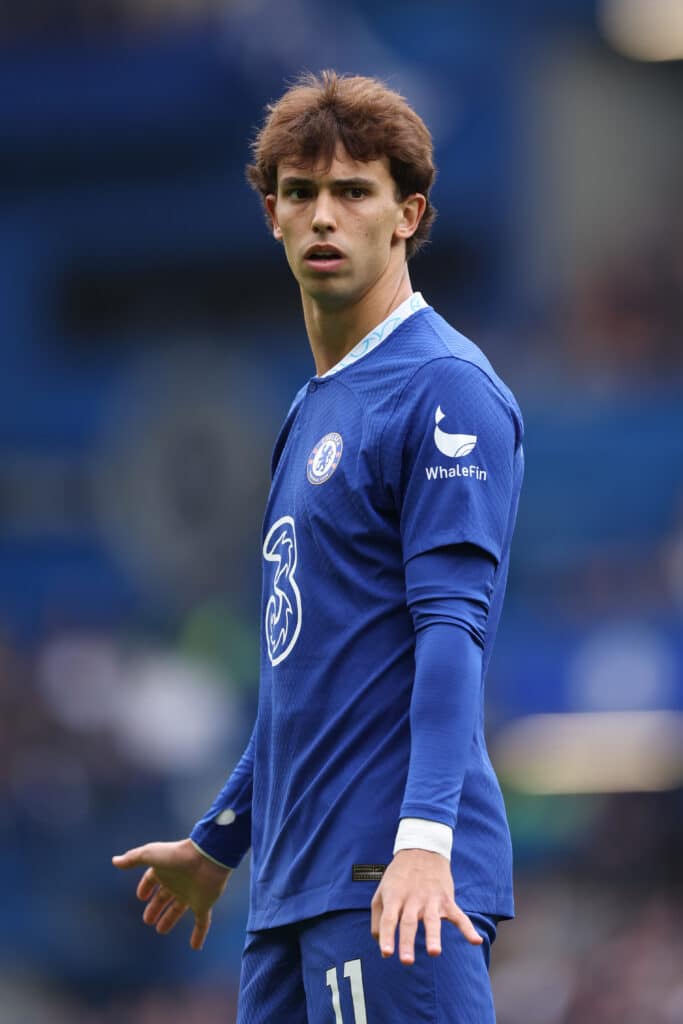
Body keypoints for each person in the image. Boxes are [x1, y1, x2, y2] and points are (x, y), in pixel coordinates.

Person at [113, 70, 524, 1023]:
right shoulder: (312, 408)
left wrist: (424, 840)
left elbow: (451, 633)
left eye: (353, 191)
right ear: (271, 215)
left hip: (390, 881)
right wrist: (220, 840)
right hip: (293, 889)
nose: (324, 216)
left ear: (407, 215)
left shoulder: (444, 387)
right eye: (299, 192)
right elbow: (309, 671)